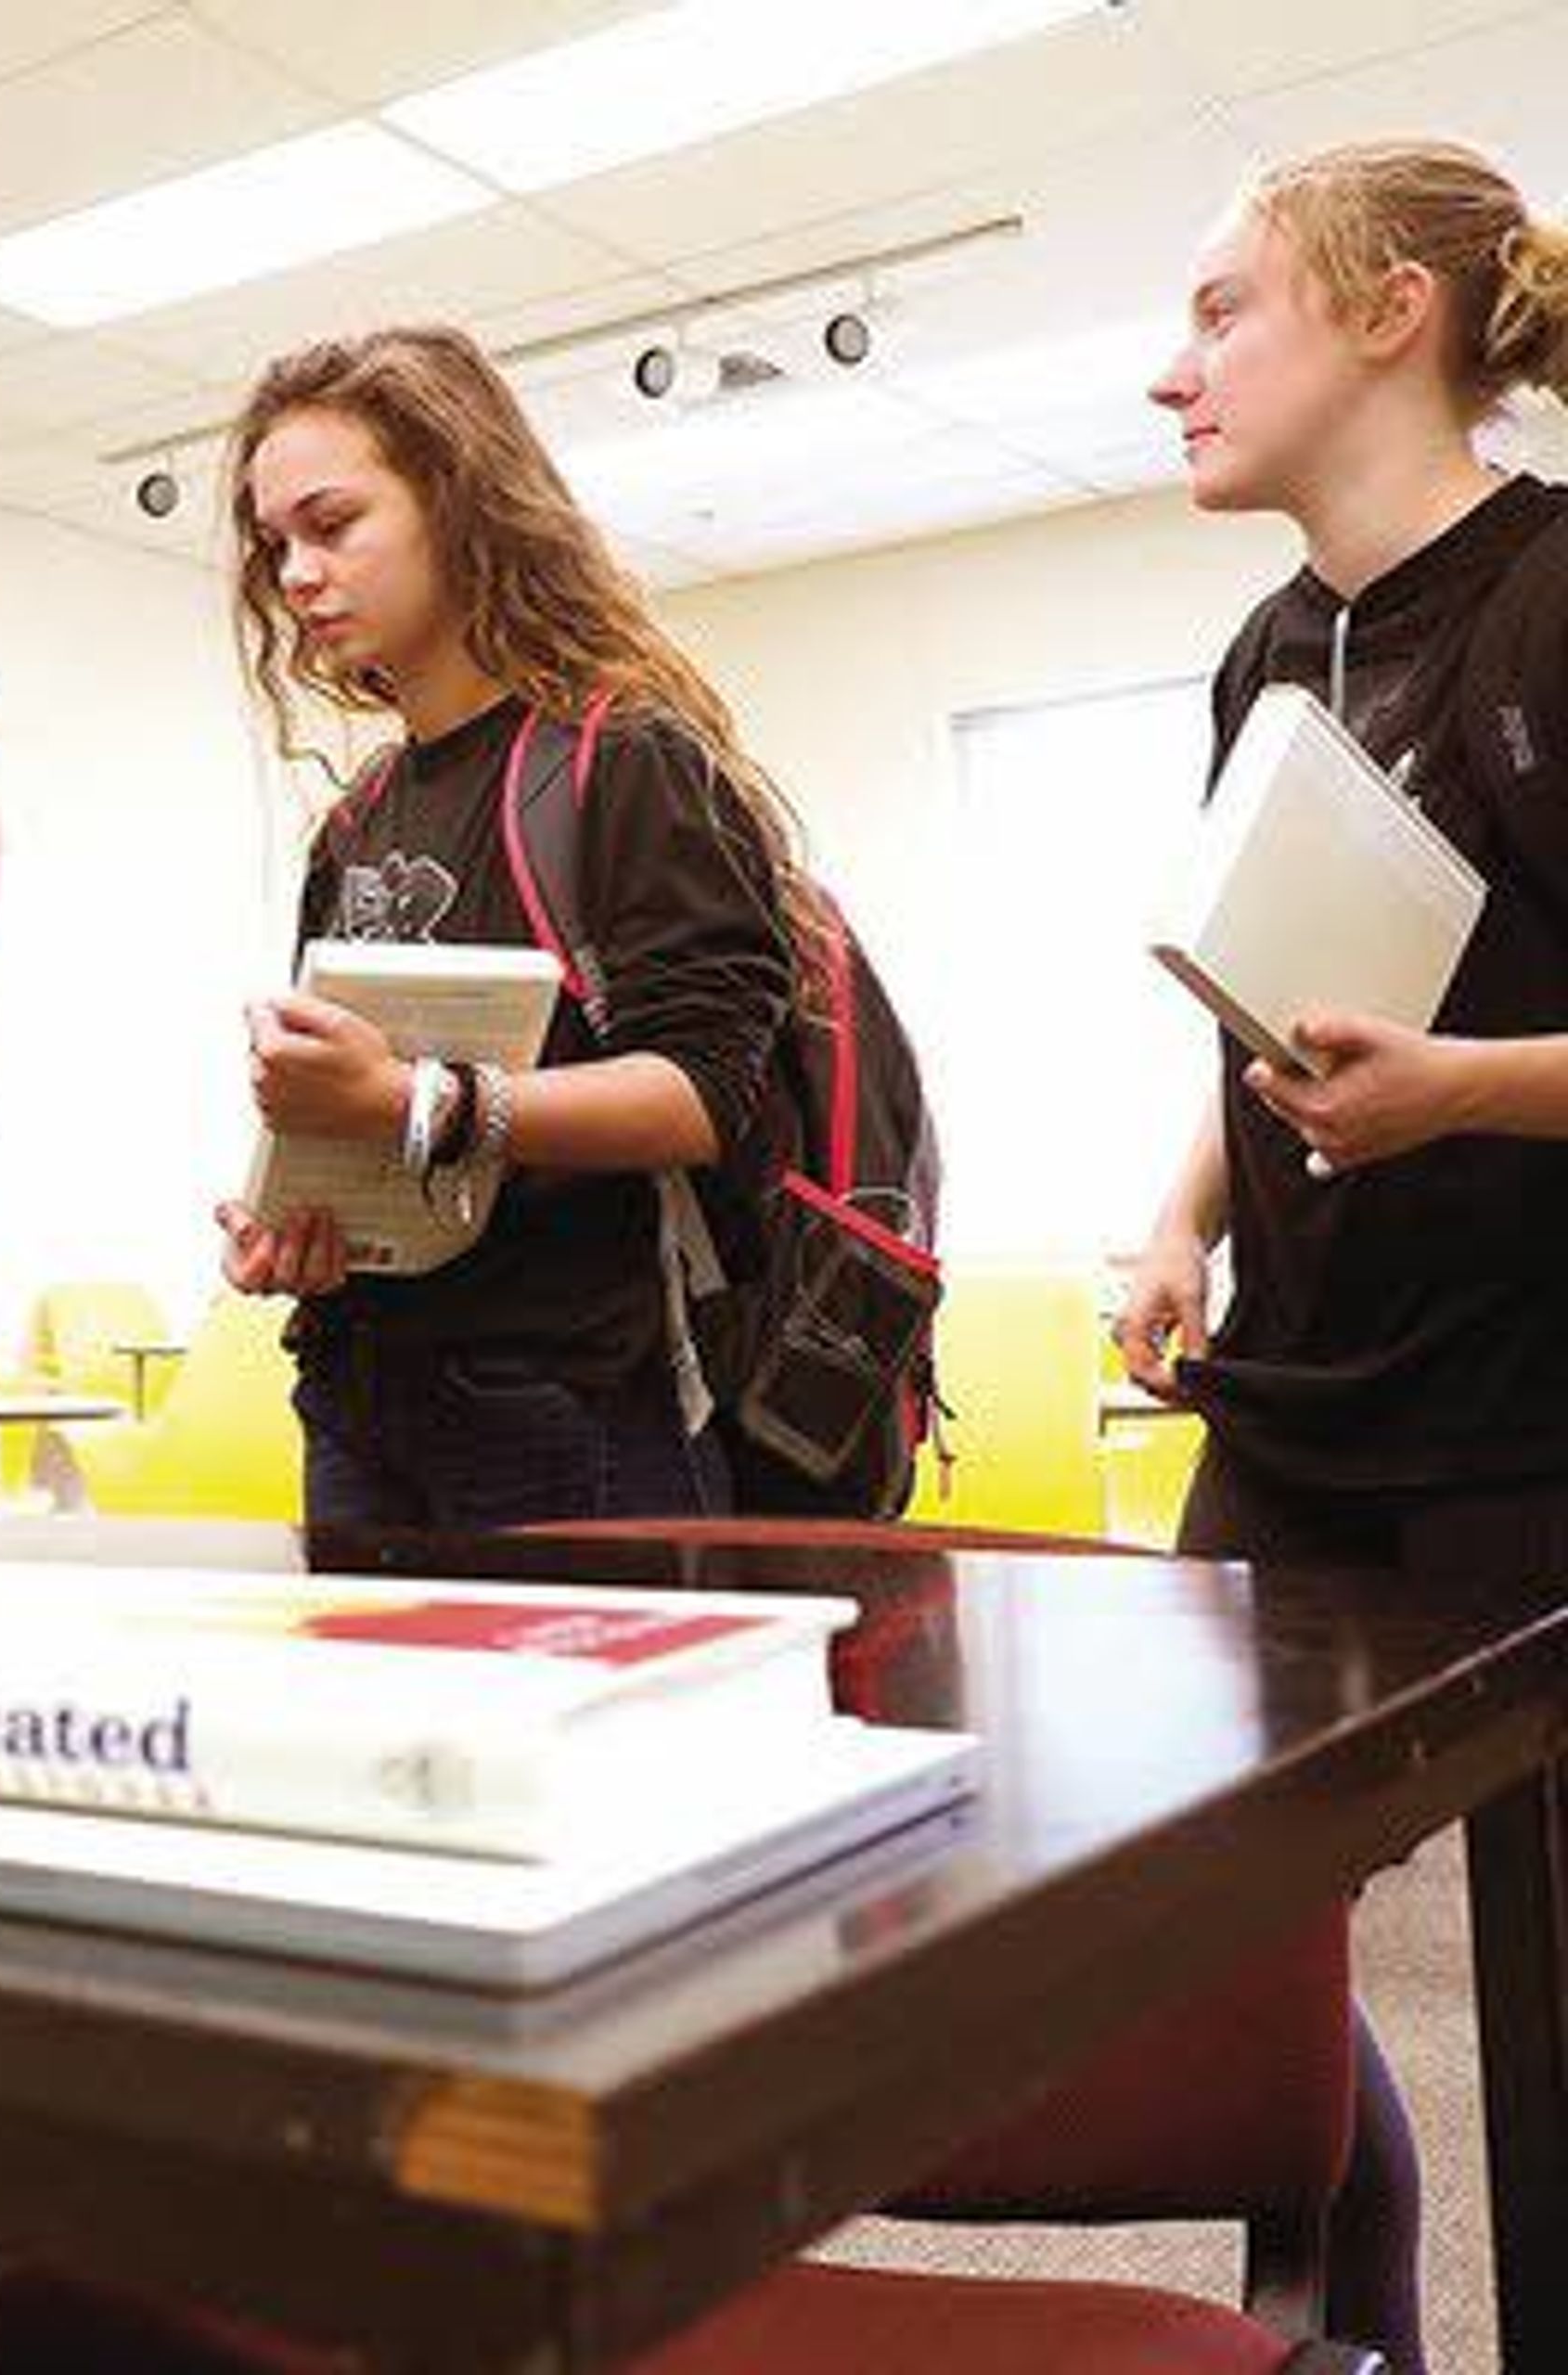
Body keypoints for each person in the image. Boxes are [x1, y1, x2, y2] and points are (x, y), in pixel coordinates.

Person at [1113, 135, 1568, 2375]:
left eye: (1218, 310)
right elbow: (1260, 988)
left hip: (1528, 1413)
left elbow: (1419, 1054)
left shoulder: (1557, 595)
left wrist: (1456, 1090)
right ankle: (1342, 2335)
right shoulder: (1262, 649)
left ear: (1389, 312)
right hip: (1294, 1410)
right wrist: (1183, 1209)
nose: (1168, 370)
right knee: (1223, 1946)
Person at [210, 326, 799, 1529]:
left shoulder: (624, 762)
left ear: (458, 501)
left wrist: (413, 1103)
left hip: (568, 1410)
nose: (298, 575)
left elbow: (701, 1095)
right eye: (277, 546)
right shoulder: (356, 822)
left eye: (332, 525)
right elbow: (356, 1111)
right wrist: (296, 1228)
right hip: (356, 1397)